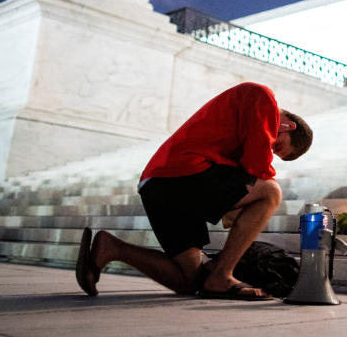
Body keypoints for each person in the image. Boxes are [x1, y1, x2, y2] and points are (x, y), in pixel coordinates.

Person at [75, 82, 312, 301]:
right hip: (180, 173)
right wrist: (239, 205)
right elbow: (257, 165)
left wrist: (236, 205)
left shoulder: (244, 129)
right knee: (271, 192)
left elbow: (245, 171)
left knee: (191, 280)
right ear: (288, 125)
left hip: (161, 185)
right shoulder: (261, 96)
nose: (270, 147)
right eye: (276, 145)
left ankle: (112, 248)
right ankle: (222, 276)